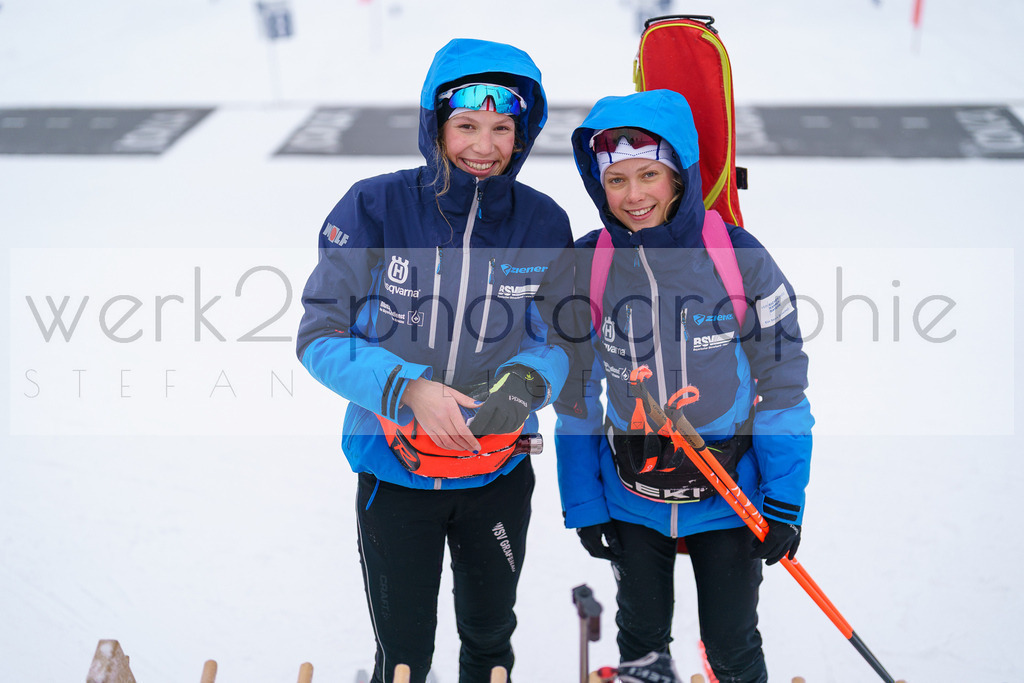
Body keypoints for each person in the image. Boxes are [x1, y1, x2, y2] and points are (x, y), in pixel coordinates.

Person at [296, 39, 574, 683]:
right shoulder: (375, 207)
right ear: (436, 125)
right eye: (467, 125)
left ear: (523, 133)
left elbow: (561, 340)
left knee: (489, 641)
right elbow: (320, 335)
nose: (485, 145)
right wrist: (407, 389)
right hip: (393, 472)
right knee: (403, 654)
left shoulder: (542, 222)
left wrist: (529, 380)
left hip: (496, 472)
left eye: (501, 129)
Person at [554, 89, 814, 683]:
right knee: (641, 639)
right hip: (632, 496)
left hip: (729, 497)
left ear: (680, 176)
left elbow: (783, 386)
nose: (634, 195)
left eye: (649, 174)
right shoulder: (588, 264)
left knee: (731, 644)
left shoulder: (738, 258)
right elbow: (575, 394)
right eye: (616, 180)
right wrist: (585, 500)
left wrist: (783, 500)